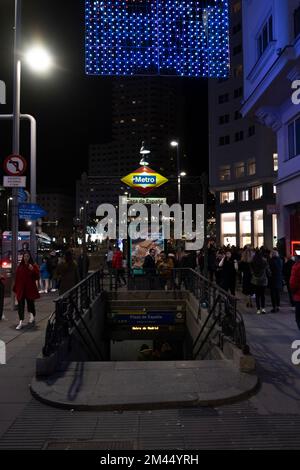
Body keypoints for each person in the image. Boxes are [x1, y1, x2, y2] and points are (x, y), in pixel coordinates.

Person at [13, 251, 40, 330]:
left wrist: (32, 270)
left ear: (29, 257)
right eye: (25, 256)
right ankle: (21, 321)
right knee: (21, 306)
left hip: (29, 289)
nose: (26, 258)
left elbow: (37, 277)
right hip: (21, 289)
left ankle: (32, 316)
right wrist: (16, 291)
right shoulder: (20, 267)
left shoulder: (33, 266)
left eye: (27, 256)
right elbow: (17, 279)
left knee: (30, 303)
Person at [250, 250, 269, 315]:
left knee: (257, 295)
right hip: (263, 280)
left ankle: (258, 309)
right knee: (263, 295)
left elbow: (251, 270)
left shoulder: (253, 262)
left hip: (255, 280)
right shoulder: (264, 262)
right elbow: (268, 270)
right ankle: (263, 308)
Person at [290, 253, 300, 331]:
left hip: (298, 296)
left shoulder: (296, 267)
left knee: (298, 319)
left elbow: (293, 283)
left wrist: (293, 291)